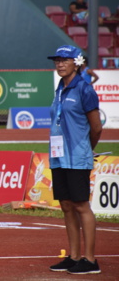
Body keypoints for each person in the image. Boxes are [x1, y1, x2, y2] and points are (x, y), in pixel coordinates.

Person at [47, 45, 103, 275]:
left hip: (77, 156)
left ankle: (90, 260)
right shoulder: (60, 87)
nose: (59, 64)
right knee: (66, 206)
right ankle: (73, 256)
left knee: (81, 205)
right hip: (59, 156)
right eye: (57, 60)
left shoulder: (84, 89)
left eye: (65, 60)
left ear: (76, 63)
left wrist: (86, 150)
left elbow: (96, 127)